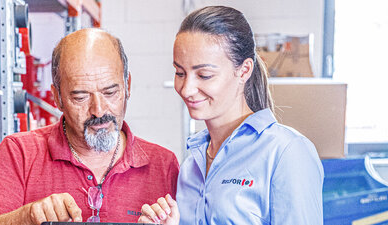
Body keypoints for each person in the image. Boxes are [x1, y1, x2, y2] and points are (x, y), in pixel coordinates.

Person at [0, 28, 180, 225]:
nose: (98, 110)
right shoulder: (19, 153)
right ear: (57, 97)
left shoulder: (164, 165)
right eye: (80, 97)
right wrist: (27, 216)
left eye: (110, 93)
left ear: (127, 86)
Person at [138, 6, 324, 225]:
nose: (186, 89)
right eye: (180, 73)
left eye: (204, 75)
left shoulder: (286, 152)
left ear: (244, 71)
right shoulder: (191, 166)